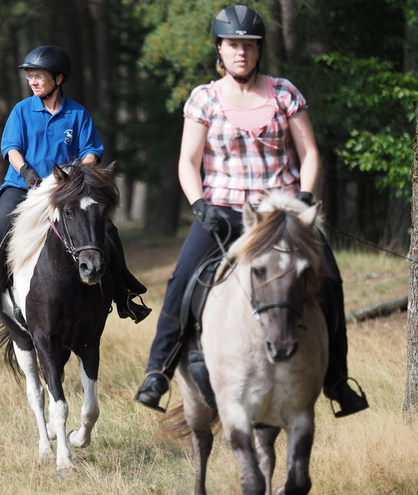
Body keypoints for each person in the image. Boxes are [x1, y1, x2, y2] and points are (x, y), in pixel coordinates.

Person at [134, 5, 368, 418]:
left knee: (328, 279)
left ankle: (337, 380)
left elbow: (310, 153)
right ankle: (159, 371)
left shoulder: (284, 93)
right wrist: (199, 205)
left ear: (259, 51)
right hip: (223, 210)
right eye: (232, 45)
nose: (240, 52)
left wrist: (306, 197)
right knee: (182, 278)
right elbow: (188, 162)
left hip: (282, 213)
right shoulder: (203, 98)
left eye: (249, 45)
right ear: (219, 50)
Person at [0, 45, 151, 340]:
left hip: (65, 190)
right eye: (30, 77)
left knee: (108, 231)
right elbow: (10, 148)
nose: (33, 81)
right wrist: (26, 172)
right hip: (23, 187)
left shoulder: (77, 113)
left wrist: (76, 177)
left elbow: (92, 152)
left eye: (39, 76)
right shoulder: (22, 110)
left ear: (59, 78)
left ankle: (125, 295)